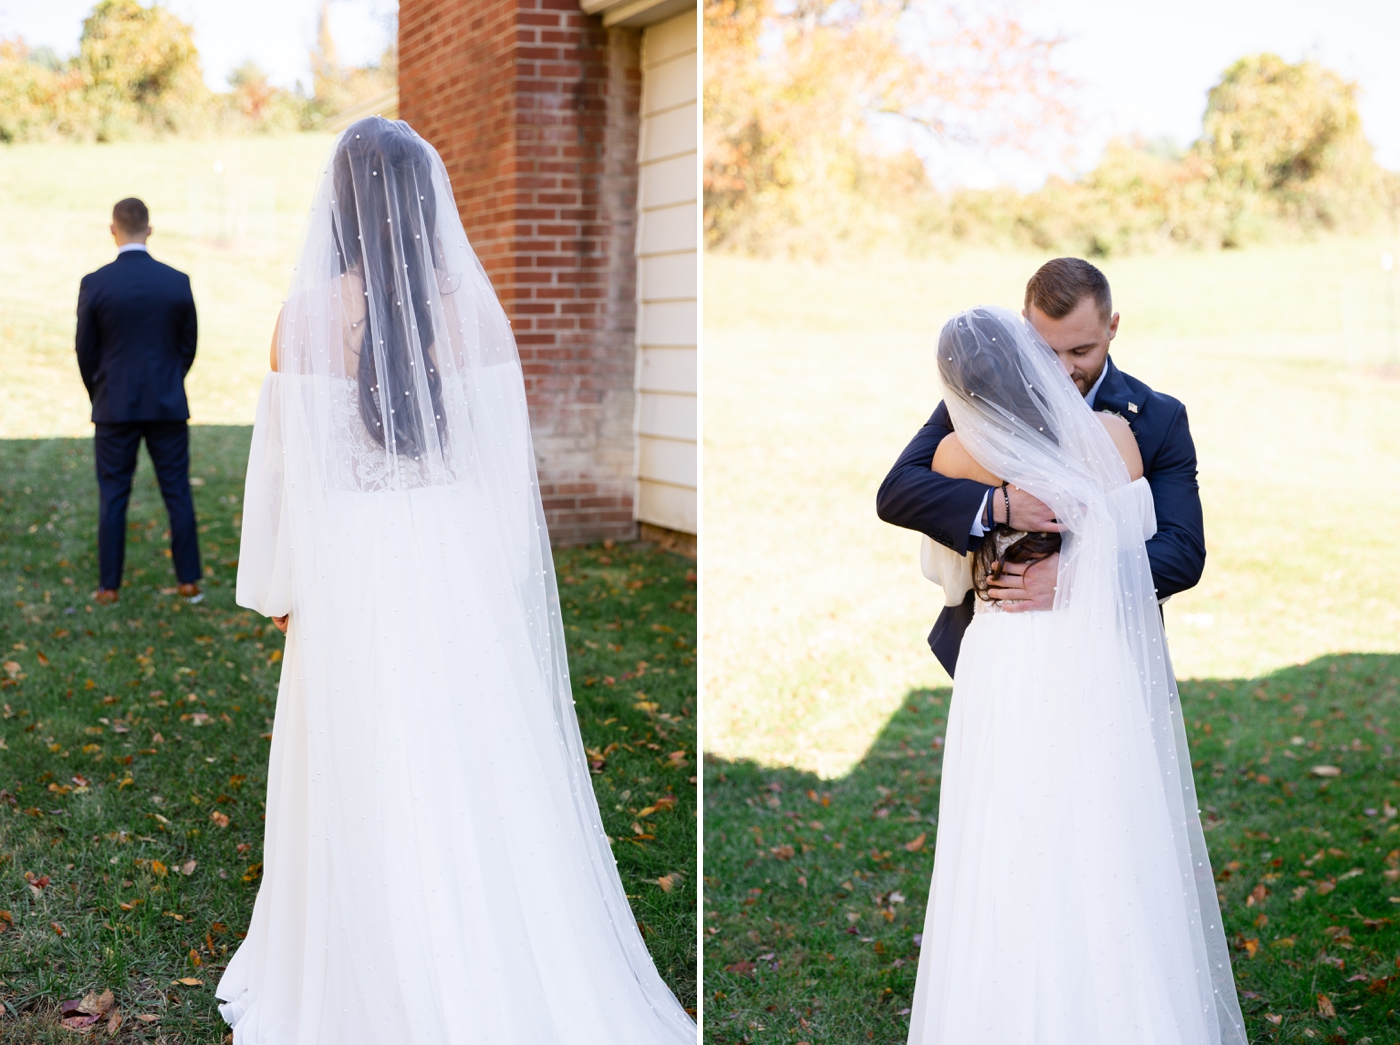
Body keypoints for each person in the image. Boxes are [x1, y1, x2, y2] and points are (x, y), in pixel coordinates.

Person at [216, 117, 695, 1044]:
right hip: (451, 562)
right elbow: (504, 481)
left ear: (340, 207)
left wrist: (281, 589)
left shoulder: (302, 320)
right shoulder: (475, 314)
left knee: (362, 755)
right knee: (470, 755)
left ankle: (373, 966)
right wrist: (495, 583)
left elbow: (286, 477)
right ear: (430, 202)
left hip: (351, 566)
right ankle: (485, 947)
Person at [896, 306, 1245, 1043]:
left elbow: (942, 555)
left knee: (1006, 825)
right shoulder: (1116, 438)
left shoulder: (961, 452)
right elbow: (1129, 527)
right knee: (1099, 818)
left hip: (1009, 651)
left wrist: (1057, 566)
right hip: (1089, 650)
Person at [876, 258, 1205, 675]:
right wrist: (1001, 505)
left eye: (1082, 350)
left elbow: (1183, 552)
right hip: (1001, 654)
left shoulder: (1159, 418)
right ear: (1023, 328)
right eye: (1046, 351)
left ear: (1113, 327)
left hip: (1110, 650)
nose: (1065, 370)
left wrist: (1073, 579)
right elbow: (898, 491)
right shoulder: (980, 399)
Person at [75, 198, 203, 605]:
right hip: (167, 402)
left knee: (113, 494)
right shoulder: (176, 281)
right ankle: (188, 582)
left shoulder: (96, 283)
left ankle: (109, 587)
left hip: (114, 404)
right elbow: (188, 345)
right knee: (177, 492)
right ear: (149, 229)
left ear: (113, 230)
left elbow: (85, 350)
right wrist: (170, 379)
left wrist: (99, 390)